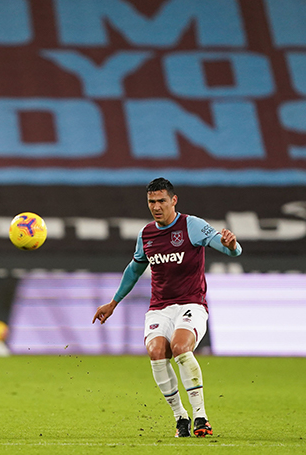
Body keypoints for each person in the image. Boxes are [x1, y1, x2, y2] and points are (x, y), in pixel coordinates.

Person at [92, 177, 242, 438]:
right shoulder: (146, 234)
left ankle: (200, 417)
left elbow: (229, 248)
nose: (156, 206)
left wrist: (232, 246)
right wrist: (114, 302)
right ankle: (180, 417)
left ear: (174, 200)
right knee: (157, 352)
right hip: (159, 308)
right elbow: (134, 270)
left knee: (182, 348)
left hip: (191, 304)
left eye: (161, 200)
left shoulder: (192, 226)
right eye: (151, 201)